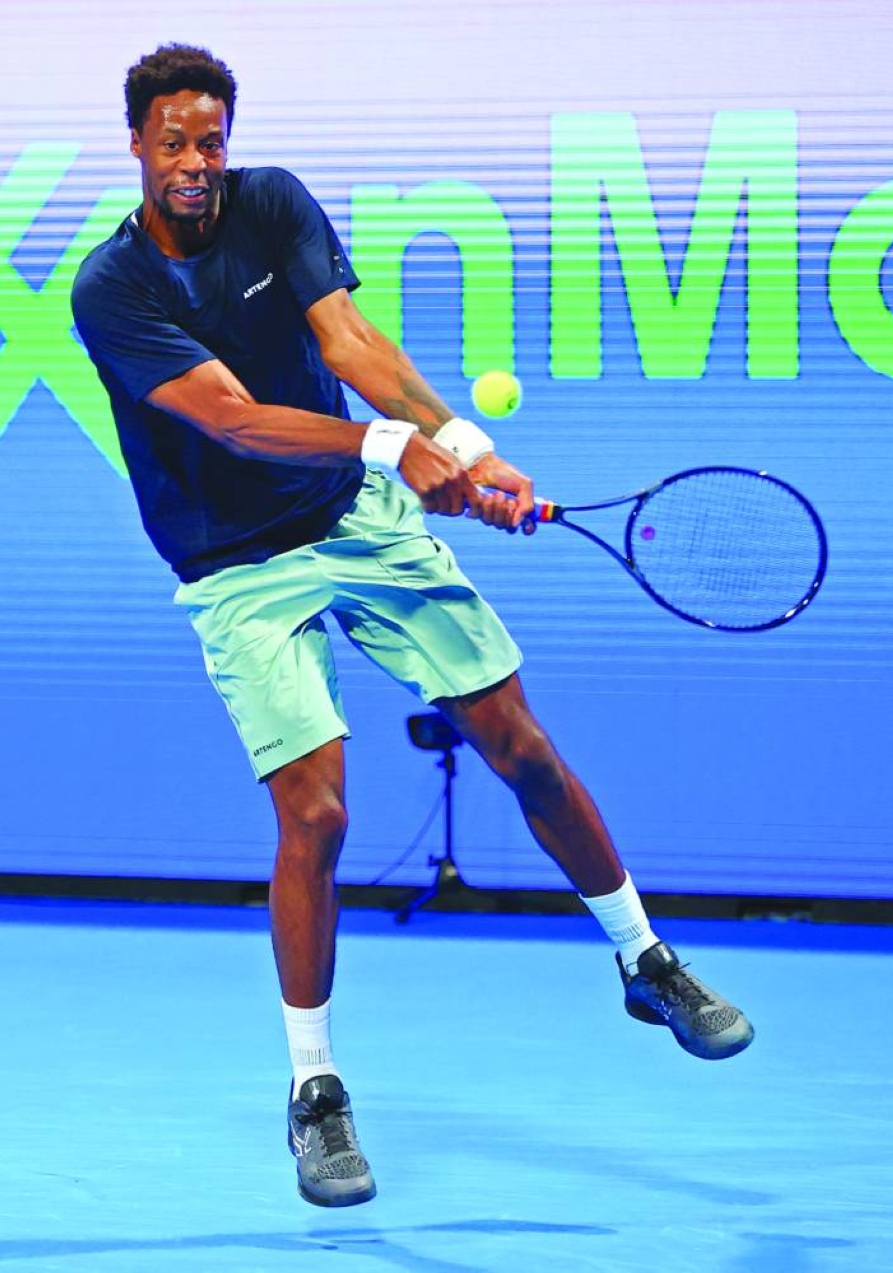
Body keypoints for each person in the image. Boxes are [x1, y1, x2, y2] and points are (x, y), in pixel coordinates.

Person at [71, 44, 754, 1209]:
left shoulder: (272, 203)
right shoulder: (111, 288)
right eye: (174, 142)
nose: (197, 161)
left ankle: (647, 962)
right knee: (317, 811)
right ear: (136, 145)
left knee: (521, 747)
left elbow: (349, 346)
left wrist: (471, 453)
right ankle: (316, 1092)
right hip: (235, 567)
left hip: (357, 519)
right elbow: (233, 422)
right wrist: (396, 446)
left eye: (212, 140)